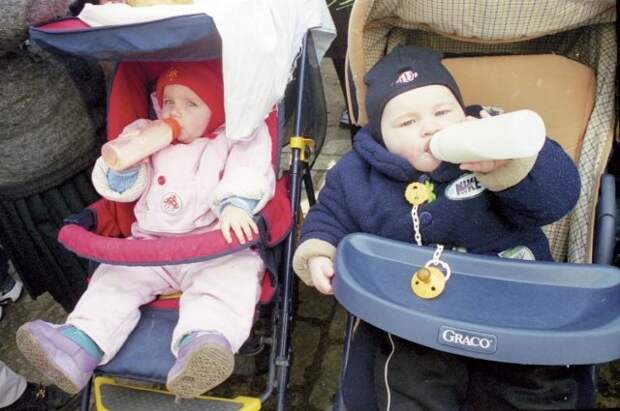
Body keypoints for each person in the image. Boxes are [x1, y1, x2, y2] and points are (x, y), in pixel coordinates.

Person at [293, 45, 589, 410]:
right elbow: (330, 215)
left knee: (531, 383)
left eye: (442, 112)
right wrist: (319, 252)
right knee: (404, 380)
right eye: (407, 122)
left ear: (462, 112)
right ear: (380, 136)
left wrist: (511, 165)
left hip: (514, 306)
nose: (430, 127)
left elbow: (558, 197)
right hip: (415, 314)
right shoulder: (357, 174)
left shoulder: (495, 140)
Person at [16, 60, 275, 399]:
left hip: (212, 246)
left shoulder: (232, 138)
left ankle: (202, 344)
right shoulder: (145, 133)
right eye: (169, 101)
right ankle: (80, 343)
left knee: (228, 283)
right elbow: (121, 189)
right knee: (113, 281)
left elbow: (250, 170)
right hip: (149, 246)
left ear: (218, 109)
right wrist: (127, 161)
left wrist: (235, 204)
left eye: (191, 104)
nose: (175, 112)